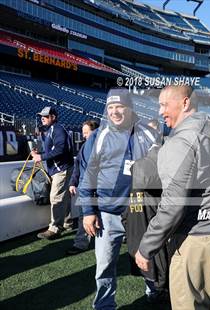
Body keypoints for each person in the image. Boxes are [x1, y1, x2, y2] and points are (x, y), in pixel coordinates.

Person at [136, 85, 210, 310]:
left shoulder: (182, 140)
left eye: (164, 104)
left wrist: (146, 247)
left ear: (185, 103)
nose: (160, 111)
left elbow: (173, 205)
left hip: (194, 235)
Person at [78, 88, 157, 310]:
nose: (114, 112)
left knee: (149, 256)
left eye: (119, 106)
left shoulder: (148, 134)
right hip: (107, 213)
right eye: (110, 107)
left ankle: (154, 291)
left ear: (129, 108)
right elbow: (88, 176)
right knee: (104, 265)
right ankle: (104, 305)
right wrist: (88, 212)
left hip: (140, 212)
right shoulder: (98, 136)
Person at [122, 137, 170, 303]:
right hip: (152, 216)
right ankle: (159, 288)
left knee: (143, 251)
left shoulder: (137, 166)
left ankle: (151, 288)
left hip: (137, 218)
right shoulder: (164, 164)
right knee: (159, 254)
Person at [32, 106, 74, 240]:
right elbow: (54, 149)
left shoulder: (58, 129)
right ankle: (67, 223)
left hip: (61, 168)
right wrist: (40, 154)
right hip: (60, 168)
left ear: (53, 117)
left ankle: (55, 228)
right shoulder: (51, 129)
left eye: (45, 116)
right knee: (64, 197)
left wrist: (41, 157)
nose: (42, 118)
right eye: (41, 116)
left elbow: (61, 149)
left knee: (56, 197)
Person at [66, 120, 99, 255]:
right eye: (83, 133)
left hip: (101, 190)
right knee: (83, 216)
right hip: (85, 189)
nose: (84, 136)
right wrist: (73, 182)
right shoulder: (84, 147)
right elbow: (77, 166)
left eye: (86, 133)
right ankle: (81, 243)